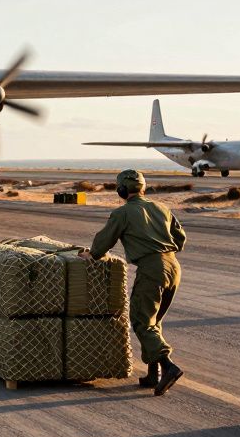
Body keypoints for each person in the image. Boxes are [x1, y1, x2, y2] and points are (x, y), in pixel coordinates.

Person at [79, 169, 187, 395]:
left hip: (152, 269)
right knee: (154, 320)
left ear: (121, 190)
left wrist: (90, 255)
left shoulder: (123, 213)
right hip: (173, 267)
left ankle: (168, 367)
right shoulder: (162, 208)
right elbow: (180, 239)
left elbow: (102, 243)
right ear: (143, 188)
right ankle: (152, 374)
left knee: (141, 321)